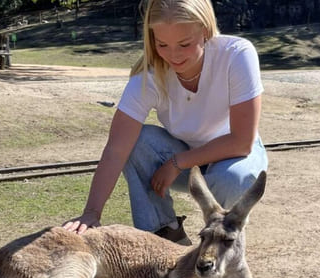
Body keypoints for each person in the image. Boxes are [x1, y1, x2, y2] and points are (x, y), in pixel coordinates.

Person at [63, 0, 268, 245]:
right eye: (162, 44)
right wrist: (91, 213)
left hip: (232, 157)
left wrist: (177, 162)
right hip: (185, 160)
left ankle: (219, 247)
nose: (174, 55)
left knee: (232, 180)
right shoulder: (148, 76)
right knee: (135, 141)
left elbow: (241, 142)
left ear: (205, 30)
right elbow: (116, 150)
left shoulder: (236, 54)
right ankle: (165, 239)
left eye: (184, 44)